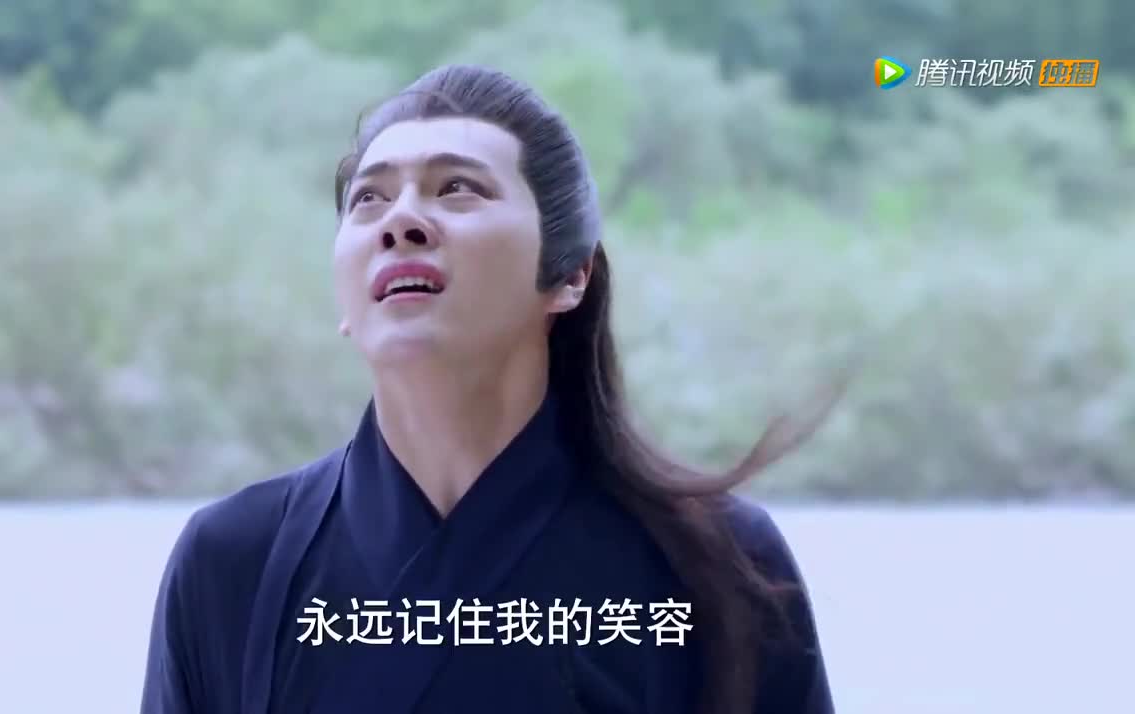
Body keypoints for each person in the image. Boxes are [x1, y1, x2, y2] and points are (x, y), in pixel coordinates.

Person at [140, 64, 838, 714]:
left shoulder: (715, 565)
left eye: (457, 188)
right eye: (369, 199)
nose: (400, 221)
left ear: (570, 276)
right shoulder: (234, 561)